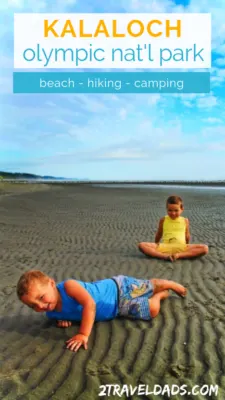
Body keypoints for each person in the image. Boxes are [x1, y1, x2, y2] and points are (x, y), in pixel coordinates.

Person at [17, 270, 187, 352]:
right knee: (152, 310)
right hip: (118, 309)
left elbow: (89, 305)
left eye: (41, 298)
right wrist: (63, 319)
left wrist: (83, 334)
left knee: (147, 288)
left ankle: (166, 284)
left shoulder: (69, 287)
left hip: (119, 288)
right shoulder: (51, 312)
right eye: (33, 306)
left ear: (52, 284)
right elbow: (68, 314)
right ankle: (160, 296)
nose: (40, 306)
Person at [138, 195, 208, 261]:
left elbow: (187, 235)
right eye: (170, 210)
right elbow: (159, 233)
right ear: (167, 209)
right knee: (141, 245)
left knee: (205, 248)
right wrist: (156, 245)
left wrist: (187, 245)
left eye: (176, 210)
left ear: (181, 209)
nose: (173, 213)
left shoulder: (185, 220)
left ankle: (179, 255)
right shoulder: (163, 220)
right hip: (165, 246)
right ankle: (165, 256)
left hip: (181, 247)